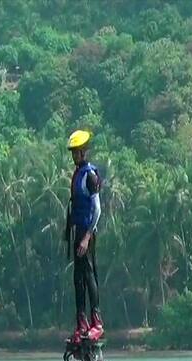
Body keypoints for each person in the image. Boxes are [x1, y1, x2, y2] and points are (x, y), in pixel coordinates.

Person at [65, 129, 104, 344]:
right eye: (72, 153)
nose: (74, 156)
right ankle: (81, 325)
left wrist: (87, 236)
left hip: (87, 233)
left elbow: (97, 210)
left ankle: (96, 323)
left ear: (84, 152)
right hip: (78, 231)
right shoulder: (77, 173)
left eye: (76, 152)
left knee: (89, 276)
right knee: (77, 279)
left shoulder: (90, 175)